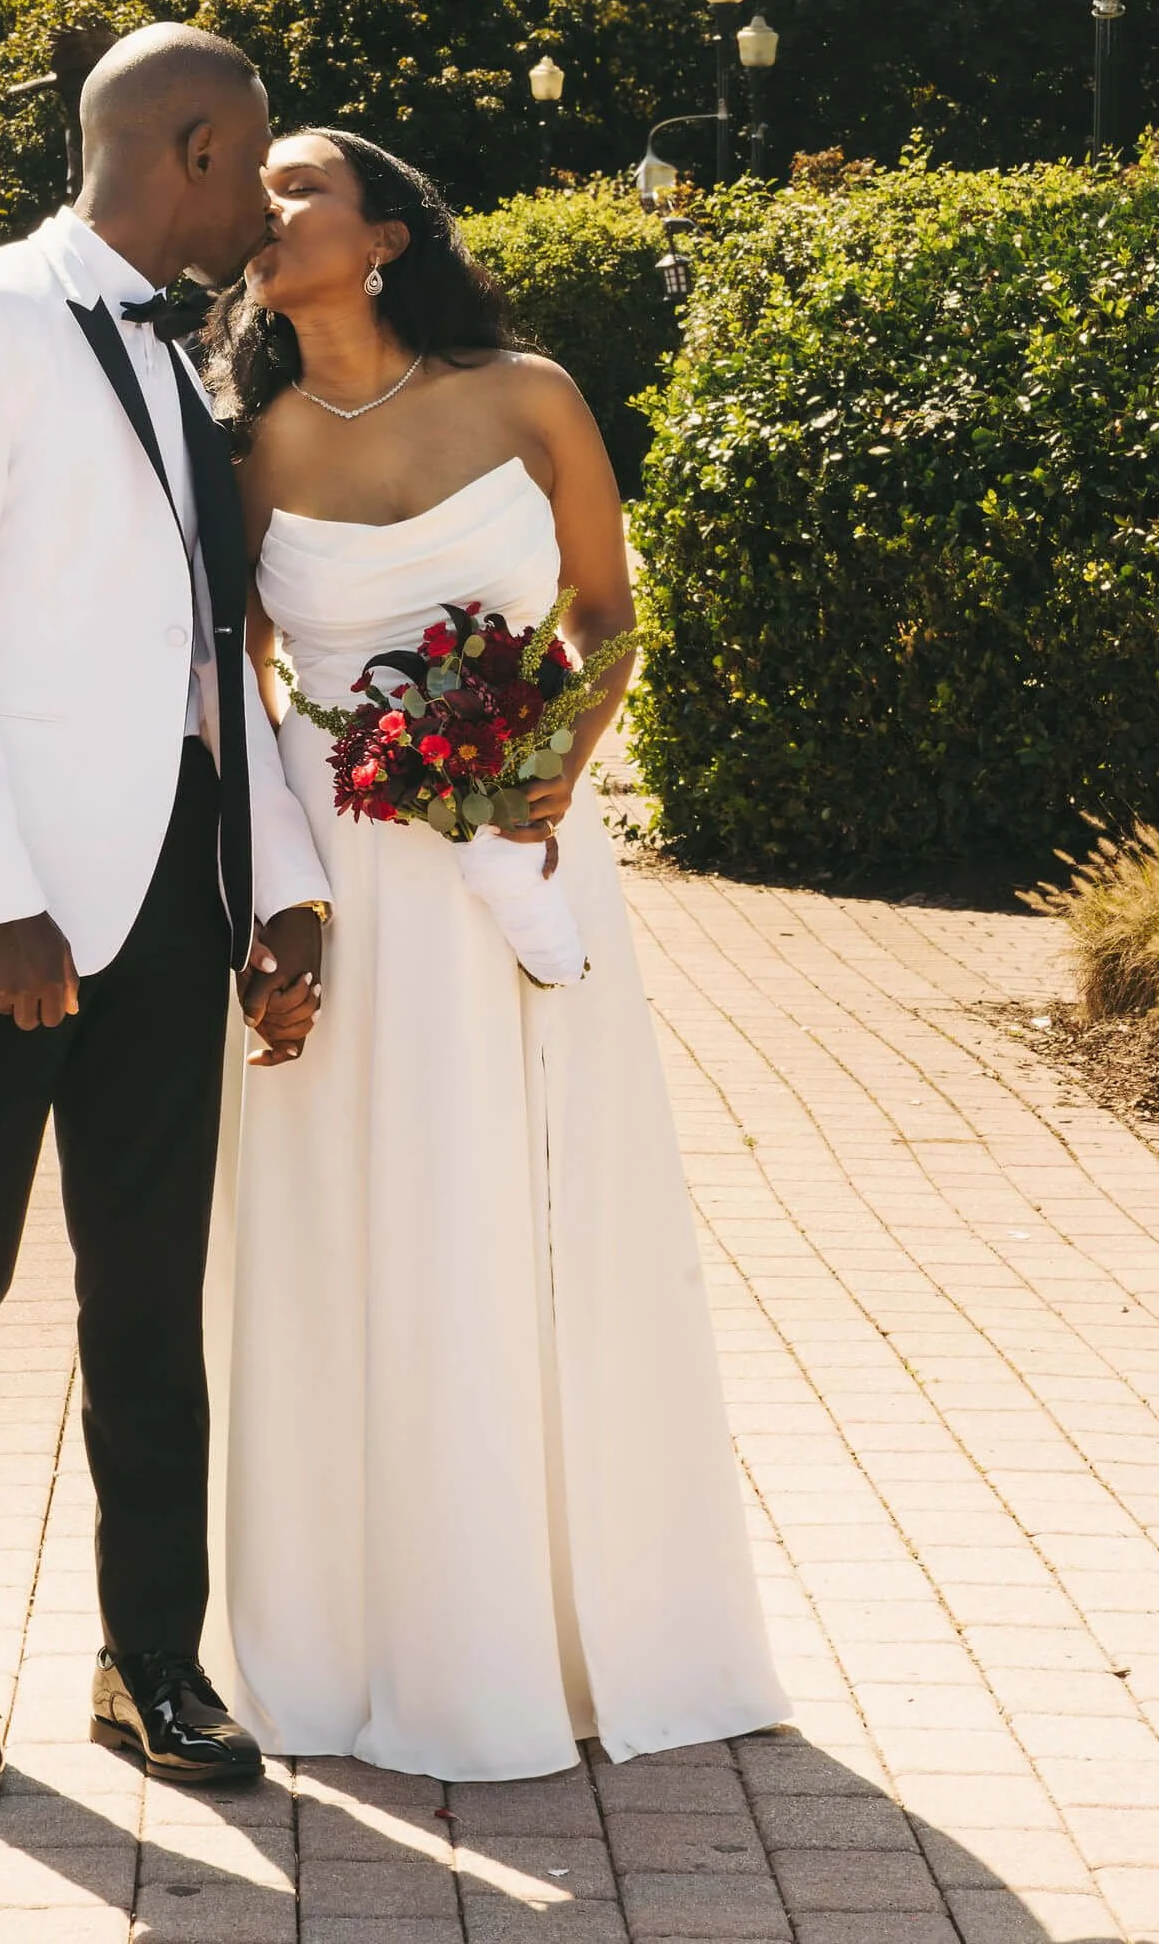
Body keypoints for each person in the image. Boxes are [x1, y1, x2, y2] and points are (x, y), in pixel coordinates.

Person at [202, 129, 786, 1779]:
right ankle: (361, 1638)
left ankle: (579, 1629)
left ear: (385, 231)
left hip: (517, 861)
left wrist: (544, 773)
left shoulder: (532, 397)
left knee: (530, 1213)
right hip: (344, 887)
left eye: (301, 181)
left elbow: (605, 614)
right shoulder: (248, 451)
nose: (268, 202)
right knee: (352, 1233)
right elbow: (240, 694)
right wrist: (279, 907)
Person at [0, 26, 334, 1806]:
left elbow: (215, 653)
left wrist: (277, 880)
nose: (269, 191)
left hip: (175, 887)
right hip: (5, 911)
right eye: (257, 156)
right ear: (188, 144)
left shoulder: (193, 356)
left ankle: (152, 1661)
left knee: (148, 1289)